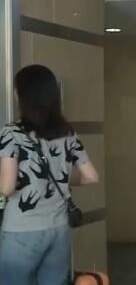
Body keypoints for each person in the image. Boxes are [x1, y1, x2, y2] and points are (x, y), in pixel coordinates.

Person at [0, 65, 99, 285]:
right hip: (59, 229)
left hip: (22, 230)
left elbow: (6, 187)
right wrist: (59, 177)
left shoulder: (11, 133)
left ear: (21, 95)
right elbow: (91, 176)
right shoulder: (67, 132)